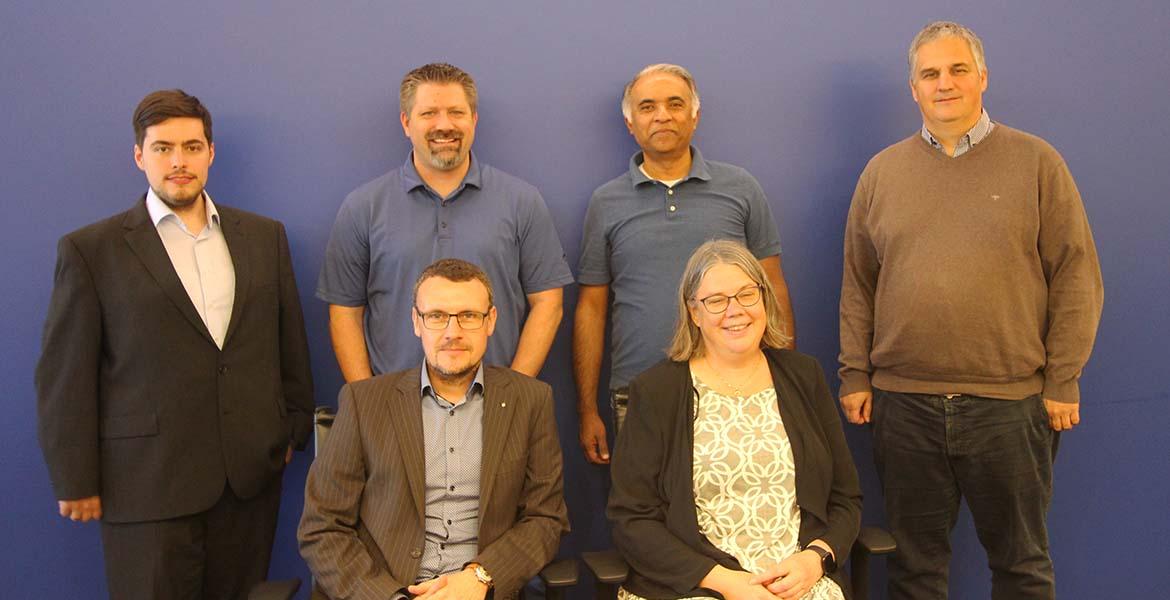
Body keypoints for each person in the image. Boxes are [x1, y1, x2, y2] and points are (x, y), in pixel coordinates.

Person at [838, 21, 1104, 600]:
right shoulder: (881, 173)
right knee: (913, 569)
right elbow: (859, 284)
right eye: (930, 73)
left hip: (1011, 404)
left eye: (958, 69)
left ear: (982, 77)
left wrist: (1063, 378)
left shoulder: (1037, 162)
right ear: (913, 89)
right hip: (903, 404)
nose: (945, 83)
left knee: (1021, 566)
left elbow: (1077, 275)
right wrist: (855, 373)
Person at [35, 89, 315, 599]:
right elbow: (65, 373)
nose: (179, 161)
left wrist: (292, 425)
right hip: (145, 485)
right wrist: (74, 476)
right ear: (139, 155)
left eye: (191, 146)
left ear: (211, 153)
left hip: (247, 482)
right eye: (163, 148)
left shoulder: (262, 236)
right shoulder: (90, 250)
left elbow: (287, 338)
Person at [300, 258, 569, 600]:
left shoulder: (531, 400)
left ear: (491, 321)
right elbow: (322, 526)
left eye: (469, 316)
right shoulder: (363, 402)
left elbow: (546, 519)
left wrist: (480, 577)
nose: (452, 332)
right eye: (437, 316)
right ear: (417, 322)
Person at [609, 240, 860, 600]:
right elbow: (630, 519)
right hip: (699, 584)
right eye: (716, 301)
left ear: (764, 299)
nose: (735, 310)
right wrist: (726, 583)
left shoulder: (804, 376)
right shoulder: (656, 391)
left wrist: (816, 558)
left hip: (798, 581)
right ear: (693, 312)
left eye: (746, 295)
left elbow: (846, 497)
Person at [575, 63, 796, 465]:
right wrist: (587, 408)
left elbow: (773, 287)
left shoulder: (741, 188)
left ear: (695, 116)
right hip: (637, 390)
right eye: (647, 106)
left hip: (738, 385)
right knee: (642, 520)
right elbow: (591, 308)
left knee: (736, 510)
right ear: (630, 122)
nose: (662, 115)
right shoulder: (605, 202)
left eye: (675, 104)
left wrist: (785, 380)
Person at [318, 62, 573, 383]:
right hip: (394, 407)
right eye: (428, 114)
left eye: (456, 112)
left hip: (496, 403)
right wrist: (367, 401)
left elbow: (548, 304)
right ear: (406, 122)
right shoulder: (363, 206)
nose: (444, 125)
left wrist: (515, 392)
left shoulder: (523, 200)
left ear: (474, 120)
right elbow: (344, 313)